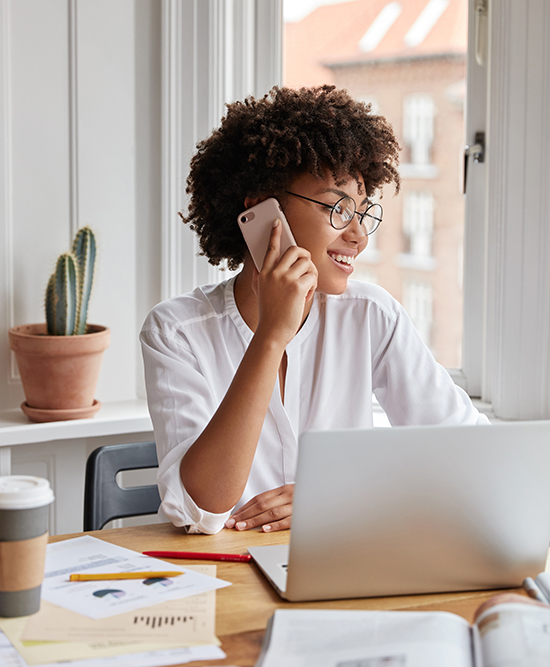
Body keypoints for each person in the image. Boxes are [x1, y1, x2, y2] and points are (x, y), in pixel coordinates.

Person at [140, 85, 489, 535]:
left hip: (337, 566)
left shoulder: (371, 316)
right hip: (217, 574)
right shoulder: (176, 331)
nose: (359, 236)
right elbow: (200, 510)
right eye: (339, 207)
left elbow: (470, 451)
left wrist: (339, 493)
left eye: (364, 211)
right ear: (263, 211)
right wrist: (271, 334)